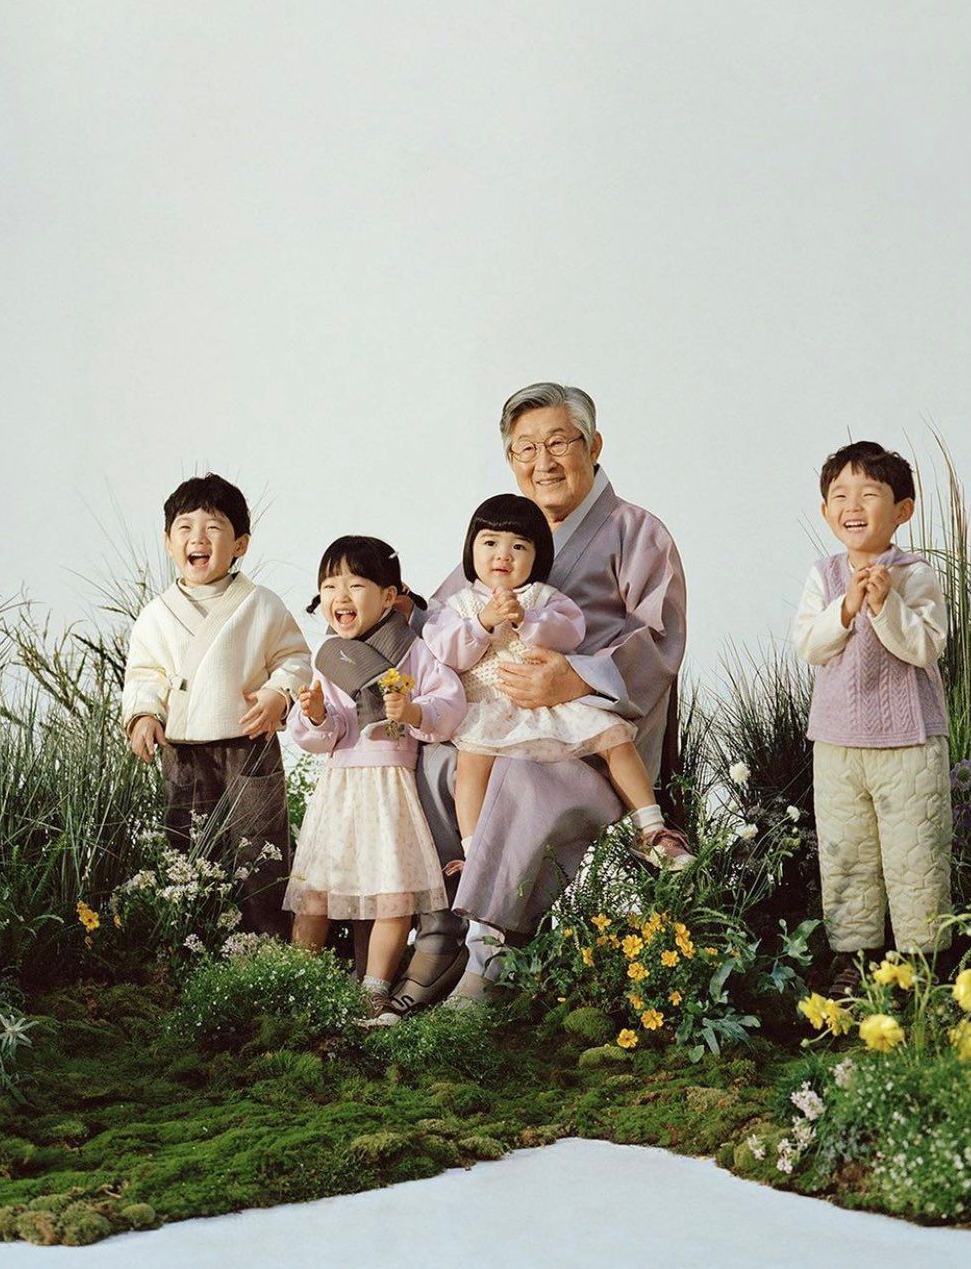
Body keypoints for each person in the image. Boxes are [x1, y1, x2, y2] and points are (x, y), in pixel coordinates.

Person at [380, 383, 688, 1020]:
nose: (542, 462)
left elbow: (660, 640)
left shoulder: (638, 532)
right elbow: (446, 619)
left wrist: (577, 678)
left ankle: (487, 960)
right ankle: (439, 933)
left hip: (587, 735)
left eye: (558, 443)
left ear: (593, 446)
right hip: (498, 721)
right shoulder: (507, 533)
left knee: (519, 777)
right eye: (525, 448)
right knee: (431, 761)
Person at [424, 492, 694, 877]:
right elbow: (446, 653)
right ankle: (475, 851)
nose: (503, 556)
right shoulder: (459, 606)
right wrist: (482, 623)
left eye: (519, 546)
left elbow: (570, 633)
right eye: (490, 543)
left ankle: (651, 828)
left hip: (549, 706)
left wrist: (526, 620)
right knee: (471, 764)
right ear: (471, 550)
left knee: (614, 737)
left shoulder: (543, 598)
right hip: (490, 708)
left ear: (538, 557)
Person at [792, 441, 952, 996]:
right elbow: (809, 646)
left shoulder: (915, 575)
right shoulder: (823, 576)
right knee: (847, 852)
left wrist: (886, 605)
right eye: (840, 495)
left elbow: (925, 647)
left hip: (910, 741)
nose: (852, 506)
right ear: (825, 511)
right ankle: (854, 961)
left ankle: (922, 964)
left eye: (868, 493)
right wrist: (846, 607)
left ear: (902, 510)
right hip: (837, 741)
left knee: (916, 851)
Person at [283, 536, 466, 1017]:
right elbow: (324, 736)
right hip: (341, 789)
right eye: (330, 586)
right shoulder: (329, 657)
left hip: (390, 788)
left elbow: (450, 703)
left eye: (356, 585)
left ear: (388, 596)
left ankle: (374, 988)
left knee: (393, 895)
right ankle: (298, 984)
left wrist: (414, 711)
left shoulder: (413, 651)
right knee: (316, 894)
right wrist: (317, 715)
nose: (340, 596)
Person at [122, 473, 312, 935]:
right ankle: (195, 940)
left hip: (249, 743)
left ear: (240, 544)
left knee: (260, 847)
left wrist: (278, 693)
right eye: (185, 528)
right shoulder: (156, 614)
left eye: (213, 528)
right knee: (188, 847)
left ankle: (265, 943)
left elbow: (294, 658)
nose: (198, 538)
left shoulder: (261, 604)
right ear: (168, 542)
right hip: (184, 749)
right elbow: (144, 673)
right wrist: (144, 714)